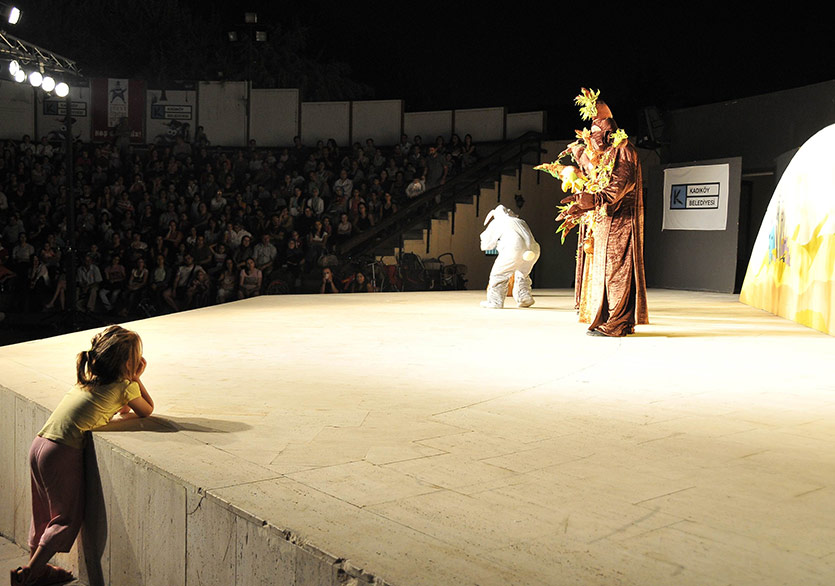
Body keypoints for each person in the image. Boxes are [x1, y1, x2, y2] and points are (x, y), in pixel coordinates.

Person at [10, 326, 154, 586]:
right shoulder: (125, 386)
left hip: (40, 443)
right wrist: (136, 378)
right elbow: (146, 410)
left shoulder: (85, 381)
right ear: (128, 363)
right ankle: (29, 574)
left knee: (42, 511)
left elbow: (119, 409)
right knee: (66, 518)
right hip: (62, 451)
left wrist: (129, 379)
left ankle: (38, 568)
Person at [556, 90, 648, 337]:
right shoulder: (607, 153)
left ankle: (618, 323)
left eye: (596, 131)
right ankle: (613, 319)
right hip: (606, 219)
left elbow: (620, 184)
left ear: (608, 132)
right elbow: (595, 177)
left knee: (617, 272)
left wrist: (594, 199)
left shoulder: (624, 150)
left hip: (621, 221)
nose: (592, 136)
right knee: (607, 272)